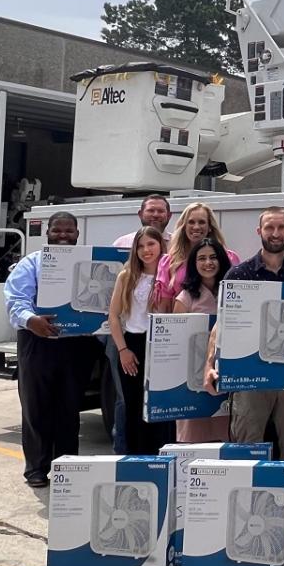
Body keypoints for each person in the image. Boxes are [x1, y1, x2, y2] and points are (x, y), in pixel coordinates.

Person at [203, 207, 284, 461]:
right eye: (269, 227)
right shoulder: (239, 274)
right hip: (250, 376)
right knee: (246, 450)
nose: (275, 233)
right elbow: (222, 324)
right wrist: (209, 364)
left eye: (281, 227)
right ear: (259, 231)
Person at [3, 211, 101, 488]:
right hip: (37, 340)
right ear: (47, 232)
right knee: (36, 405)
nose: (63, 236)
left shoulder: (91, 266)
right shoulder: (31, 264)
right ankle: (36, 468)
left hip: (76, 343)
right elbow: (15, 300)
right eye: (57, 231)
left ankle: (66, 466)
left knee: (69, 407)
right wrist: (30, 320)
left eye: (69, 232)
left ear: (77, 234)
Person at [107, 193, 171, 453]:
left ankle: (160, 457)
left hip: (162, 346)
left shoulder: (171, 275)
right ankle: (135, 459)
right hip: (134, 344)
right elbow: (113, 316)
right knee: (133, 405)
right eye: (141, 245)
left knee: (159, 406)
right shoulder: (127, 276)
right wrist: (123, 350)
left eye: (151, 245)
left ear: (160, 246)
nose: (146, 250)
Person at [172, 238, 233, 443]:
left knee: (226, 437)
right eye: (202, 258)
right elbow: (176, 341)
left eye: (213, 257)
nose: (208, 263)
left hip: (227, 377)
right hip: (193, 377)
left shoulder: (233, 294)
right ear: (194, 263)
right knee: (194, 439)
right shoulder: (185, 298)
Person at [157, 202, 240, 304]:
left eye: (202, 222)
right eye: (191, 222)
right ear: (184, 226)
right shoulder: (169, 262)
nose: (196, 227)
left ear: (210, 226)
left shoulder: (230, 258)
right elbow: (164, 306)